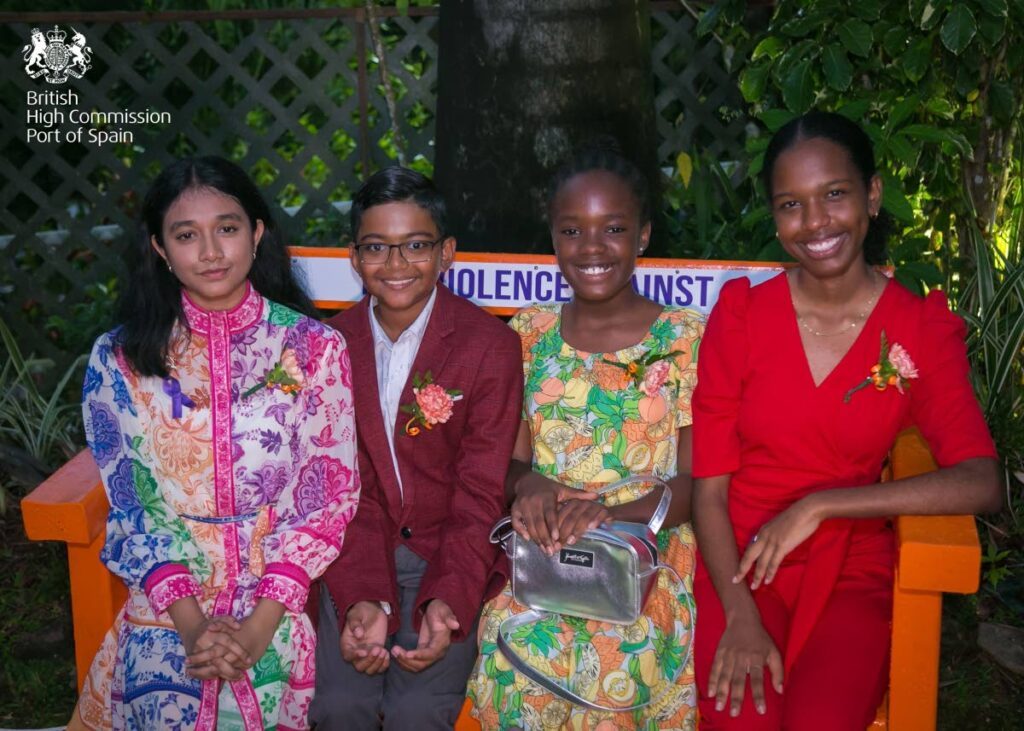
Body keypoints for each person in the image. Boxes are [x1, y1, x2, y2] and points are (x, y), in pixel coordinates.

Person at [691, 111, 1003, 730]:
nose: (814, 223)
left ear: (873, 195)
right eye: (790, 204)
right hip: (743, 562)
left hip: (849, 570)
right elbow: (709, 493)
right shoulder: (743, 317)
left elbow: (982, 480)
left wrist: (823, 505)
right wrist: (738, 613)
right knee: (743, 720)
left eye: (834, 194)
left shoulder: (918, 330)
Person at [74, 156, 360, 729]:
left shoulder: (312, 348)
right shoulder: (121, 358)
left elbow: (326, 500)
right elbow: (132, 503)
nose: (210, 252)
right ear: (159, 247)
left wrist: (255, 629)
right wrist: (191, 625)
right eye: (186, 235)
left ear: (256, 233)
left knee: (263, 680)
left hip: (273, 601)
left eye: (227, 228)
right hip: (164, 605)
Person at [467, 141, 703, 730]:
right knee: (512, 663)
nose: (592, 247)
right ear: (553, 238)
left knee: (614, 672)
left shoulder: (684, 339)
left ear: (643, 235)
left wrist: (610, 514)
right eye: (573, 230)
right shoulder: (527, 335)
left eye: (614, 228)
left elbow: (692, 483)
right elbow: (511, 464)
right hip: (544, 556)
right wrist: (533, 487)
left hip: (643, 555)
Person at [309, 166, 523, 729]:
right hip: (356, 550)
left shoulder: (489, 347)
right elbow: (339, 486)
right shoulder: (331, 345)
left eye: (416, 246)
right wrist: (363, 601)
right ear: (354, 258)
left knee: (414, 713)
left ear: (447, 252)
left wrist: (447, 601)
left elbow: (481, 491)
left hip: (450, 552)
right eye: (377, 247)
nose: (397, 265)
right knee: (338, 707)